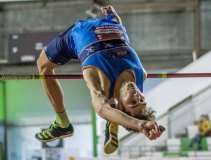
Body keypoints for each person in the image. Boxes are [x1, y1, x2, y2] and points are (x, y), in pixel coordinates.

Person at [35, 5, 165, 154]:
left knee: (43, 66)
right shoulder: (141, 75)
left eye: (133, 102)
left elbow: (101, 108)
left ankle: (62, 122)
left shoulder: (99, 78)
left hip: (74, 37)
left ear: (120, 107)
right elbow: (122, 35)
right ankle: (112, 117)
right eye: (142, 99)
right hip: (110, 24)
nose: (137, 95)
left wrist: (140, 125)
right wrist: (114, 17)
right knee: (110, 97)